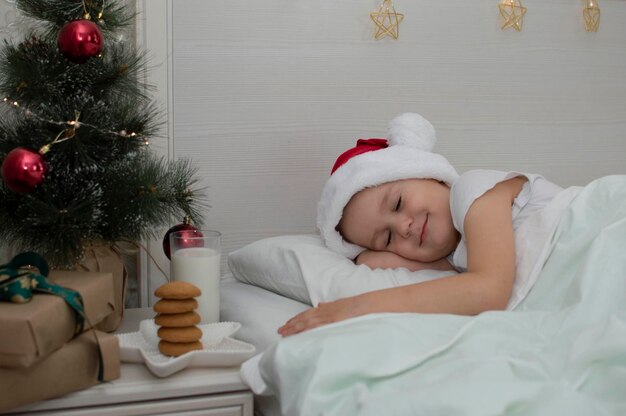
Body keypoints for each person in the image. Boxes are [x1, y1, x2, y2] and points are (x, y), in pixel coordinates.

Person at [278, 113, 564, 337]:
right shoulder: (455, 260)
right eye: (388, 237)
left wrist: (358, 306)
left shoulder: (474, 192)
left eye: (398, 203)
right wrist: (370, 253)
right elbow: (378, 261)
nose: (403, 227)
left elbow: (489, 291)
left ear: (430, 174)